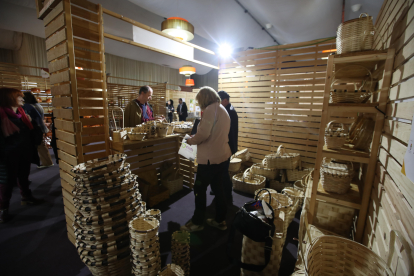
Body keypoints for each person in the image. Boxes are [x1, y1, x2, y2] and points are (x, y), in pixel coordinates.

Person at [180, 86, 231, 232]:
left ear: (203, 99)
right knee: (218, 188)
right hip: (221, 156)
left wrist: (190, 140)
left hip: (209, 159)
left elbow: (203, 135)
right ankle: (221, 220)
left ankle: (197, 222)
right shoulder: (222, 109)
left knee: (199, 189)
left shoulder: (210, 110)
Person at [0, 87, 43, 223]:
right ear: (10, 98)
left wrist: (32, 123)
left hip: (24, 150)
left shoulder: (21, 113)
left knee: (24, 175)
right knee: (6, 181)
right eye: (19, 97)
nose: (22, 99)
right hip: (7, 154)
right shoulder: (2, 115)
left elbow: (31, 132)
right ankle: (3, 208)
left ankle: (26, 197)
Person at [216, 90, 238, 201]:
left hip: (227, 146)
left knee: (223, 171)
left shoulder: (229, 111)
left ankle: (228, 195)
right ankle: (222, 192)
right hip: (229, 145)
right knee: (222, 170)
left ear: (225, 100)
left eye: (219, 101)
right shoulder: (229, 109)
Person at [23, 92, 54, 169]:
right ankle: (47, 161)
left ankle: (46, 162)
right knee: (41, 145)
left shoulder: (28, 107)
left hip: (35, 128)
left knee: (40, 145)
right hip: (40, 127)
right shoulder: (38, 105)